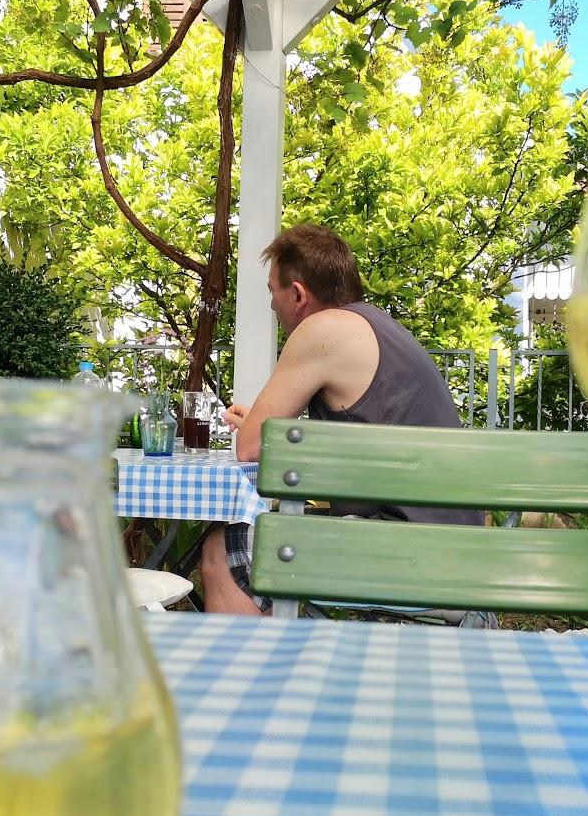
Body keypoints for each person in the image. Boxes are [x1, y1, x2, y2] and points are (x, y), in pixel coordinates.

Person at [201, 223, 482, 615]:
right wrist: (272, 429)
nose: (271, 305)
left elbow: (249, 447)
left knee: (225, 550)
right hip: (460, 549)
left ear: (297, 294)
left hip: (418, 555)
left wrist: (258, 429)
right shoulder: (376, 326)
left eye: (272, 292)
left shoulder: (323, 329)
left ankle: (258, 675)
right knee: (268, 540)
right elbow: (363, 433)